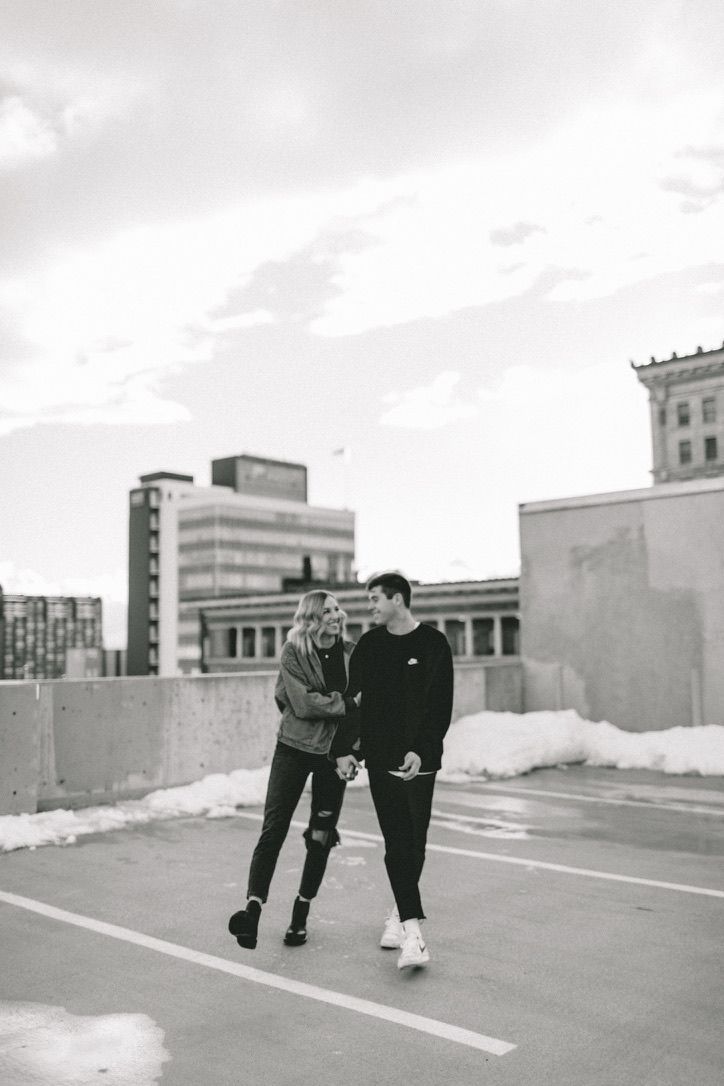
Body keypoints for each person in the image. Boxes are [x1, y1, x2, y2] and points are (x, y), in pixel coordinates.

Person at [228, 590, 358, 950]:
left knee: (321, 835)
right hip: (294, 750)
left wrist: (349, 749)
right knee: (274, 828)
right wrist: (343, 703)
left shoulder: (351, 654)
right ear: (313, 617)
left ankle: (300, 914)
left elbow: (360, 709)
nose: (337, 615)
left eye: (337, 609)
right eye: (328, 611)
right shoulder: (293, 652)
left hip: (334, 755)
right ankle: (252, 911)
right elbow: (298, 702)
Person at [337, 572, 453, 969]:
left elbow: (440, 707)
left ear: (398, 600)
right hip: (382, 757)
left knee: (414, 843)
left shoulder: (434, 644)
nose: (369, 606)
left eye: (375, 599)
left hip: (421, 761)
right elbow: (355, 702)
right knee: (396, 843)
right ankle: (414, 935)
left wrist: (421, 751)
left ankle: (396, 916)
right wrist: (345, 750)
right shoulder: (369, 645)